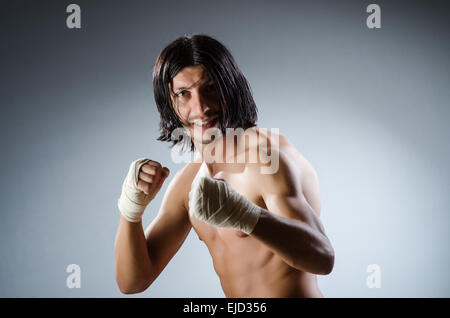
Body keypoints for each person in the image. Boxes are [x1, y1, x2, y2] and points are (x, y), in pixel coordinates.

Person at [114, 34, 335, 297]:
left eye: (210, 87)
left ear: (231, 87)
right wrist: (131, 208)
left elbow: (323, 258)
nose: (201, 107)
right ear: (170, 104)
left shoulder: (265, 158)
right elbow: (132, 282)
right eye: (184, 94)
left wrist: (246, 216)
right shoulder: (189, 182)